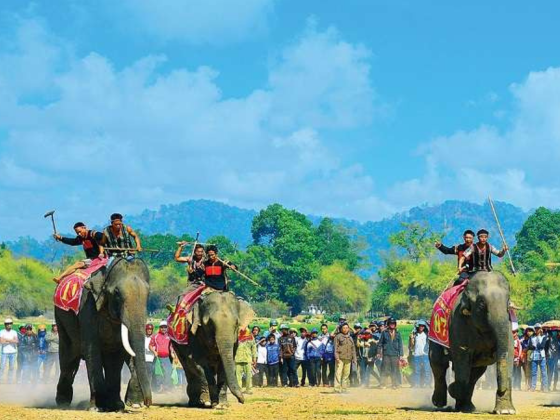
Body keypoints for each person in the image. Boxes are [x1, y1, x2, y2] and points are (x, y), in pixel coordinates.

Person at [377, 317, 404, 389]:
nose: (392, 325)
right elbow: (380, 344)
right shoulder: (384, 333)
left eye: (393, 323)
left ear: (395, 324)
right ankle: (383, 384)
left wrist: (401, 355)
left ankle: (394, 384)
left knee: (394, 370)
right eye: (391, 323)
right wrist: (378, 352)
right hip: (386, 354)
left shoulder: (398, 333)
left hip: (395, 354)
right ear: (388, 324)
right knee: (385, 369)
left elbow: (400, 344)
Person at [149, 320, 172, 392]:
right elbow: (150, 346)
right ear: (159, 328)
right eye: (162, 327)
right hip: (158, 358)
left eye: (165, 327)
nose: (163, 329)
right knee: (158, 373)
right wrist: (154, 352)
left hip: (167, 358)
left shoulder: (169, 336)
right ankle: (159, 388)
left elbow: (171, 346)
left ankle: (166, 387)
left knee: (168, 372)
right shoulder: (155, 336)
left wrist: (173, 353)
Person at [334, 323, 356, 393]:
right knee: (338, 373)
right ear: (341, 329)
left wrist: (354, 359)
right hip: (340, 358)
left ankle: (344, 389)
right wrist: (337, 357)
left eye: (347, 328)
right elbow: (335, 348)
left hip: (348, 359)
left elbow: (353, 349)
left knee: (346, 374)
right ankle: (337, 389)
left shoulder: (350, 338)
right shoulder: (338, 337)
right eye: (344, 328)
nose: (345, 329)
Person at [235, 327, 257, 394]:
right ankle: (239, 389)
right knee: (238, 376)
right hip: (237, 359)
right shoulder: (236, 336)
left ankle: (248, 389)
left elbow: (254, 347)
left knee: (249, 375)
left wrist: (254, 358)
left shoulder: (250, 337)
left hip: (247, 359)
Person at [409, 320, 431, 388]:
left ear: (424, 327)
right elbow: (411, 345)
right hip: (417, 354)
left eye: (423, 326)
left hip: (425, 354)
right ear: (418, 327)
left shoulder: (427, 334)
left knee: (427, 370)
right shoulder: (415, 335)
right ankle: (417, 384)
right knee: (416, 370)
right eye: (420, 326)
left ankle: (427, 384)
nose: (421, 327)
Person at [529, 323, 548, 392]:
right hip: (534, 356)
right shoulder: (531, 337)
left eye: (538, 328)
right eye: (536, 328)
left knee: (543, 372)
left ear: (540, 329)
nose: (537, 329)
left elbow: (542, 346)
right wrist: (533, 346)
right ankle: (533, 387)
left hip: (542, 356)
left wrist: (536, 342)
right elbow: (530, 346)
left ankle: (545, 387)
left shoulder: (544, 337)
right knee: (534, 373)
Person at [0, 318, 18, 384]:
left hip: (13, 352)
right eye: (7, 324)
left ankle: (9, 381)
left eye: (10, 323)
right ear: (5, 325)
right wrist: (11, 340)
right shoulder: (1, 331)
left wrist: (6, 339)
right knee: (2, 367)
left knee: (12, 367)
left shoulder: (14, 332)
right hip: (4, 352)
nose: (9, 325)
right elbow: (1, 341)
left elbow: (16, 341)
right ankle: (0, 380)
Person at [144, 323, 155, 389]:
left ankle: (149, 388)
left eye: (150, 329)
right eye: (148, 329)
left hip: (151, 359)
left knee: (149, 375)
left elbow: (155, 348)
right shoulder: (143, 338)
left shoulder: (153, 338)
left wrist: (150, 349)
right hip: (143, 359)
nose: (149, 330)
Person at [513, 327, 522, 391]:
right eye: (513, 332)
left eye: (515, 332)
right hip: (510, 359)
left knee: (517, 373)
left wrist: (518, 358)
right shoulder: (510, 340)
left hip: (516, 358)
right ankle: (513, 385)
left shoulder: (518, 341)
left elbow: (520, 350)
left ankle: (517, 385)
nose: (514, 334)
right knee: (512, 373)